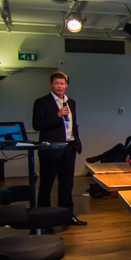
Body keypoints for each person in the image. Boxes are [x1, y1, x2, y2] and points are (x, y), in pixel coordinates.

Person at [31, 71, 85, 225]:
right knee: (46, 185)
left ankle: (67, 216)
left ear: (66, 85)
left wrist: (76, 140)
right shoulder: (42, 102)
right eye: (56, 83)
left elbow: (72, 123)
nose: (59, 86)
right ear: (51, 84)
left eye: (62, 83)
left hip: (69, 148)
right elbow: (37, 125)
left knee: (67, 185)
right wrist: (58, 115)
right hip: (51, 149)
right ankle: (44, 219)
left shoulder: (71, 102)